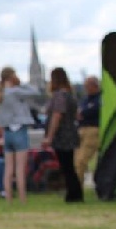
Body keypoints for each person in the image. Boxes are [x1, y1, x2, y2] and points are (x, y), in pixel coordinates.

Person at [0, 66, 40, 204]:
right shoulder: (15, 91)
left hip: (7, 132)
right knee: (20, 169)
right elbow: (35, 91)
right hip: (19, 130)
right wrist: (22, 83)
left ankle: (8, 198)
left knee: (8, 169)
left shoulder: (0, 95)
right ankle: (22, 198)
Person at [43, 67, 83, 202]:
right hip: (71, 132)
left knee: (66, 166)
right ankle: (75, 192)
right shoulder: (70, 95)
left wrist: (49, 136)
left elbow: (57, 116)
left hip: (63, 136)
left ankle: (73, 194)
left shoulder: (59, 96)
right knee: (69, 165)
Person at [75, 75, 101, 187]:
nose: (86, 89)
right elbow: (79, 112)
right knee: (75, 160)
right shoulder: (85, 100)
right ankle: (75, 185)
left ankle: (77, 187)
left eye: (88, 86)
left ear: (95, 86)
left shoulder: (100, 99)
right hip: (81, 129)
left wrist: (83, 113)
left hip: (92, 130)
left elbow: (90, 111)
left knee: (81, 160)